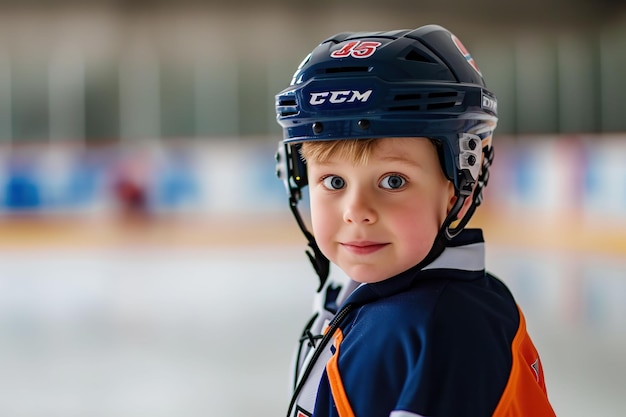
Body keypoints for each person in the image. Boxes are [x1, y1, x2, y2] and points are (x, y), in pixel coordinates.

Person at [274, 24, 555, 417]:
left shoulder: (437, 331)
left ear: (460, 185)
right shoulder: (385, 304)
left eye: (393, 181)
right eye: (333, 181)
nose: (357, 210)